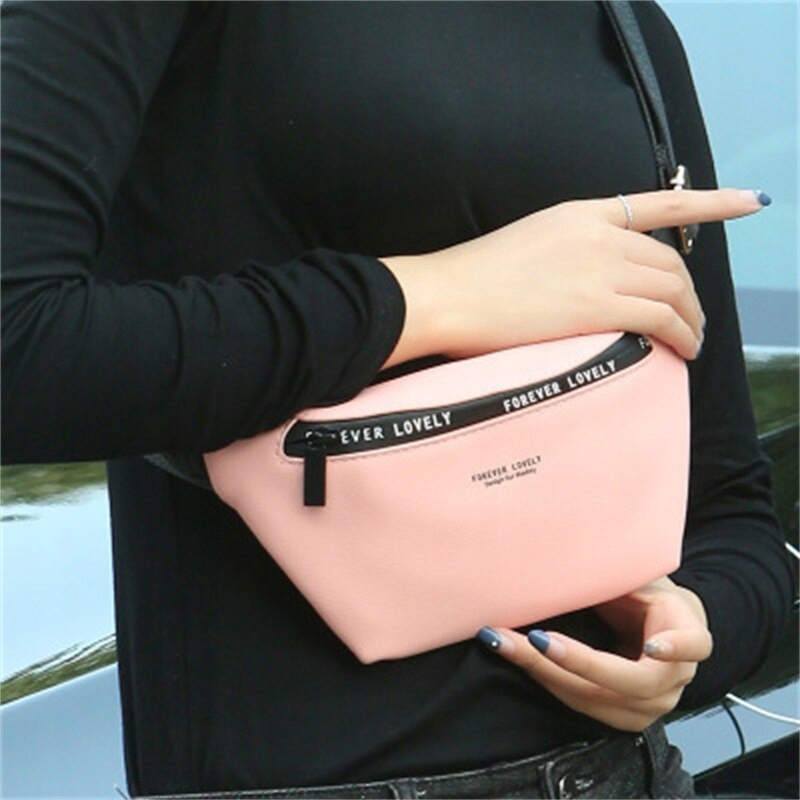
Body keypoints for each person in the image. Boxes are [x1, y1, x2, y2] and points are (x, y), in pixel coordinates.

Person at [2, 2, 794, 798]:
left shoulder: (621, 22)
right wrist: (433, 297)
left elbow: (730, 510)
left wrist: (687, 641)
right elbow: (17, 346)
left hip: (620, 776)